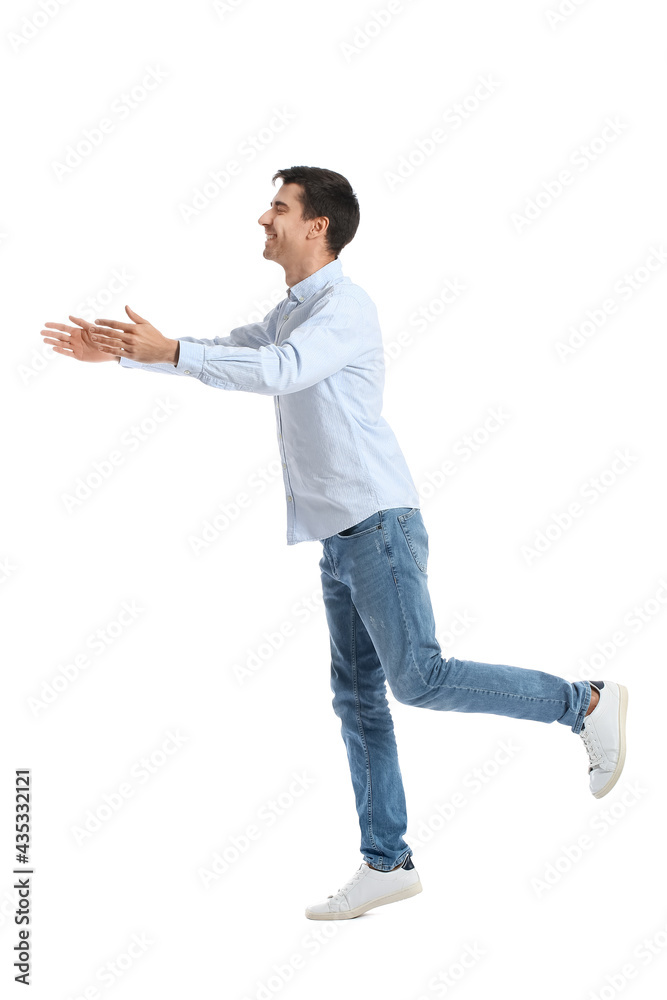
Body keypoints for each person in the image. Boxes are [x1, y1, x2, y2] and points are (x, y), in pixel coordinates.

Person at [41, 165, 628, 921]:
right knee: (357, 699)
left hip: (378, 526)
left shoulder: (343, 308)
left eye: (278, 208)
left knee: (416, 678)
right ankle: (386, 862)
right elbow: (232, 354)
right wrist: (131, 352)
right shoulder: (292, 311)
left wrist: (170, 352)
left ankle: (582, 702)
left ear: (316, 225)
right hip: (341, 537)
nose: (263, 218)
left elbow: (280, 373)